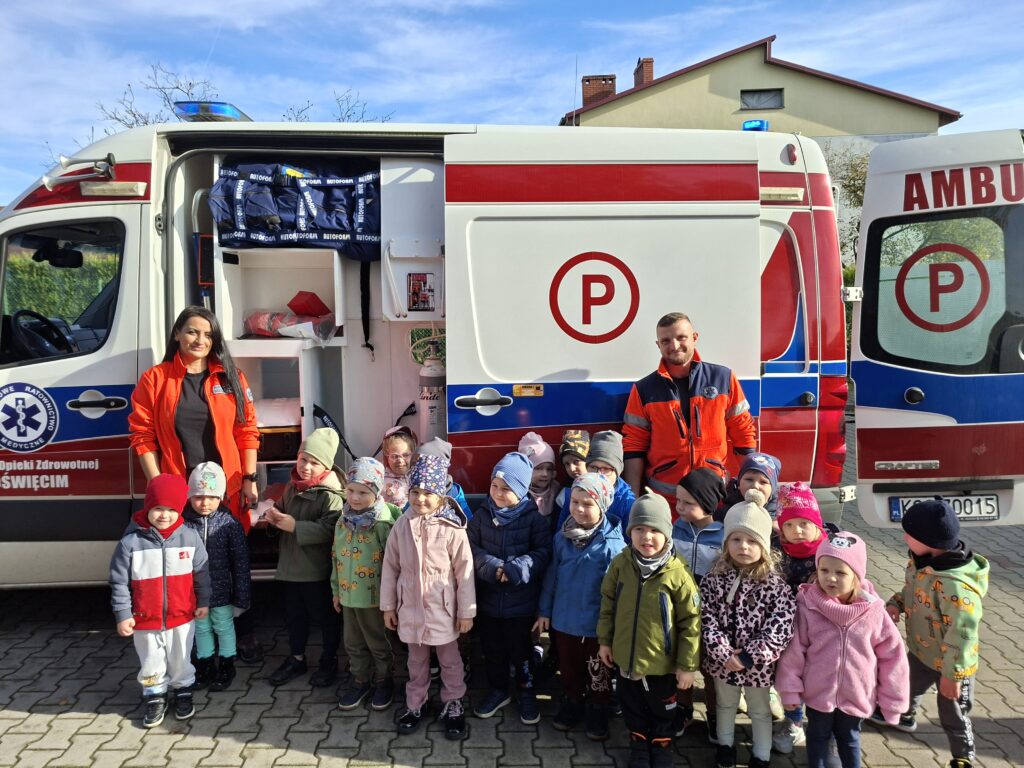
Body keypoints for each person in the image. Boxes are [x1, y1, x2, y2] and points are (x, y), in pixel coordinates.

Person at [127, 305, 263, 662]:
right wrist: (159, 487)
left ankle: (242, 631)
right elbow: (142, 436)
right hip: (180, 492)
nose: (200, 340)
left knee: (231, 562)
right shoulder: (155, 379)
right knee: (183, 565)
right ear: (177, 334)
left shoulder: (230, 378)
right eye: (192, 331)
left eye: (207, 334)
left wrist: (249, 479)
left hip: (226, 491)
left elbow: (247, 430)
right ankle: (194, 643)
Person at [776, 532, 910, 768]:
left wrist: (892, 701)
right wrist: (790, 691)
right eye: (824, 570)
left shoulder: (874, 612)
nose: (831, 578)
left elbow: (893, 658)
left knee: (849, 739)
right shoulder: (808, 606)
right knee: (817, 735)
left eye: (841, 572)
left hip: (857, 695)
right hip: (817, 693)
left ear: (857, 575)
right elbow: (794, 653)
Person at [873, 498, 989, 768]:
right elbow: (912, 590)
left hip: (952, 666)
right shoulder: (922, 562)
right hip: (922, 650)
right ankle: (904, 715)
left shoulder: (956, 587)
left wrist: (953, 675)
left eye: (910, 534)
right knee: (906, 685)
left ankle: (963, 755)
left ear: (931, 541)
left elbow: (963, 634)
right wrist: (896, 603)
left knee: (953, 712)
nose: (904, 537)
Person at [597, 490, 701, 768]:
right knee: (631, 704)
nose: (646, 537)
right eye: (639, 529)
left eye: (655, 530)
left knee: (662, 706)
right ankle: (639, 742)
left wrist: (687, 665)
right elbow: (608, 604)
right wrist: (605, 641)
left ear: (667, 534)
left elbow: (691, 623)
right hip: (626, 657)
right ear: (629, 532)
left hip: (662, 664)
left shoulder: (678, 574)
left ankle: (661, 743)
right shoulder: (621, 564)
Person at [381, 453, 476, 739]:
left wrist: (466, 612)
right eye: (415, 492)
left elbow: (464, 571)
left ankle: (453, 702)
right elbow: (390, 567)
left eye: (428, 493)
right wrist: (388, 606)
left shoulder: (452, 528)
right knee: (416, 661)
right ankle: (416, 703)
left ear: (441, 496)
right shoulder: (401, 526)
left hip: (442, 609)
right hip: (410, 608)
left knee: (450, 660)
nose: (420, 499)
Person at [700, 489, 796, 768]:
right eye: (736, 539)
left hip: (757, 664)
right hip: (723, 662)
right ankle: (725, 746)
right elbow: (706, 617)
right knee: (725, 704)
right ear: (726, 542)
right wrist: (723, 653)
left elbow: (780, 625)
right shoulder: (714, 578)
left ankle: (761, 755)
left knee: (760, 709)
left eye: (752, 540)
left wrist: (749, 655)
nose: (743, 546)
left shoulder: (775, 584)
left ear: (764, 545)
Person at [109, 474, 211, 728]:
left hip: (182, 616)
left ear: (180, 510)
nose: (164, 515)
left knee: (181, 657)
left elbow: (202, 574)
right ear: (148, 507)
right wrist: (123, 613)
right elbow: (118, 581)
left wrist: (203, 601)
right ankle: (155, 695)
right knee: (151, 659)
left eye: (171, 509)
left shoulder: (190, 538)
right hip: (145, 619)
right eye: (158, 509)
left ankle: (183, 690)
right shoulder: (131, 542)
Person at [621, 312, 757, 503]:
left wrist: (751, 486)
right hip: (666, 500)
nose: (674, 345)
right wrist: (631, 500)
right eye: (666, 341)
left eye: (681, 337)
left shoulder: (723, 378)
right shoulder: (644, 389)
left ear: (694, 338)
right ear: (658, 345)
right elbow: (634, 446)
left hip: (714, 496)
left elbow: (743, 433)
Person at [535, 473, 626, 741]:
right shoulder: (562, 537)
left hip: (595, 626)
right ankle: (573, 700)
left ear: (603, 506)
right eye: (575, 502)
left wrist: (613, 628)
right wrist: (545, 611)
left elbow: (617, 594)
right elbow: (552, 576)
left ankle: (598, 707)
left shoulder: (613, 547)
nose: (579, 509)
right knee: (569, 667)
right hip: (564, 622)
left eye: (587, 504)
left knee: (598, 671)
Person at [468, 452, 552, 725]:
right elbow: (470, 548)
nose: (498, 492)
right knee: (492, 650)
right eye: (494, 485)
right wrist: (490, 566)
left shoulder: (533, 519)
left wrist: (517, 569)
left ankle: (526, 691)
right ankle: (498, 689)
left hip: (521, 605)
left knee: (521, 651)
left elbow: (543, 552)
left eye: (506, 488)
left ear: (521, 490)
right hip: (489, 602)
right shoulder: (482, 516)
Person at [263, 428, 345, 688]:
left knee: (326, 618)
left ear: (326, 466)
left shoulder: (330, 495)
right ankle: (296, 658)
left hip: (315, 571)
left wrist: (295, 526)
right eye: (303, 459)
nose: (306, 467)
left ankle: (329, 660)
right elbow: (282, 510)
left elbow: (331, 529)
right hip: (290, 569)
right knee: (295, 617)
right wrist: (273, 518)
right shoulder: (292, 486)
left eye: (314, 462)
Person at [771, 481, 839, 754]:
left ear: (816, 523)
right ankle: (794, 722)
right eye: (789, 525)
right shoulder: (776, 550)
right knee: (790, 677)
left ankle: (826, 728)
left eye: (804, 524)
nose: (796, 531)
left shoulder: (831, 551)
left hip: (823, 632)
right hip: (787, 631)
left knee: (822, 680)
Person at [332, 457, 400, 712]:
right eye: (351, 490)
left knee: (377, 641)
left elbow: (394, 564)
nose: (355, 497)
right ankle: (360, 679)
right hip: (348, 596)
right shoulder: (342, 520)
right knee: (352, 642)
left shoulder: (382, 524)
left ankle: (384, 680)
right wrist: (336, 590)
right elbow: (335, 557)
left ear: (377, 492)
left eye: (363, 492)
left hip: (374, 598)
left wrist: (391, 599)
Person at [183, 462, 251, 693]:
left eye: (212, 497)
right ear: (190, 496)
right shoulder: (184, 524)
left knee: (224, 626)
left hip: (223, 592)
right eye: (198, 497)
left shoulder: (229, 524)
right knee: (201, 628)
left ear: (221, 497)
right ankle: (204, 664)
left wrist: (242, 598)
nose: (205, 503)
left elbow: (240, 563)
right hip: (196, 594)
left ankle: (226, 663)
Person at [670, 467, 726, 739]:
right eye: (678, 500)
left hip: (710, 615)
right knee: (681, 661)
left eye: (687, 502)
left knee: (710, 667)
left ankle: (715, 714)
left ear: (707, 504)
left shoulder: (723, 536)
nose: (679, 507)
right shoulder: (676, 529)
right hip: (680, 612)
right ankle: (683, 708)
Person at [556, 430, 635, 534]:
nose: (598, 474)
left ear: (617, 472)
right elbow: (559, 534)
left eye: (605, 469)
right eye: (593, 467)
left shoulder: (627, 503)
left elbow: (629, 540)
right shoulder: (573, 493)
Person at [416, 436, 472, 518]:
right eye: (418, 465)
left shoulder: (454, 494)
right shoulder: (416, 490)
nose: (420, 470)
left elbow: (468, 520)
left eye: (426, 466)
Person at [719, 452, 782, 523]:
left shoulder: (780, 515)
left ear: (772, 489)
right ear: (739, 484)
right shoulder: (725, 512)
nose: (755, 486)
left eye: (763, 482)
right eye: (749, 479)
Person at [518, 431, 562, 520]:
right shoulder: (520, 492)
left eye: (549, 469)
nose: (545, 474)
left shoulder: (555, 489)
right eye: (538, 468)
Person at [553, 429, 591, 513]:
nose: (572, 469)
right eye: (567, 464)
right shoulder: (563, 496)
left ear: (588, 460)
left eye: (576, 461)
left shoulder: (603, 489)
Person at [380, 426, 418, 508]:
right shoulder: (380, 479)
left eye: (405, 455)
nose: (400, 460)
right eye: (394, 456)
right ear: (387, 457)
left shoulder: (417, 475)